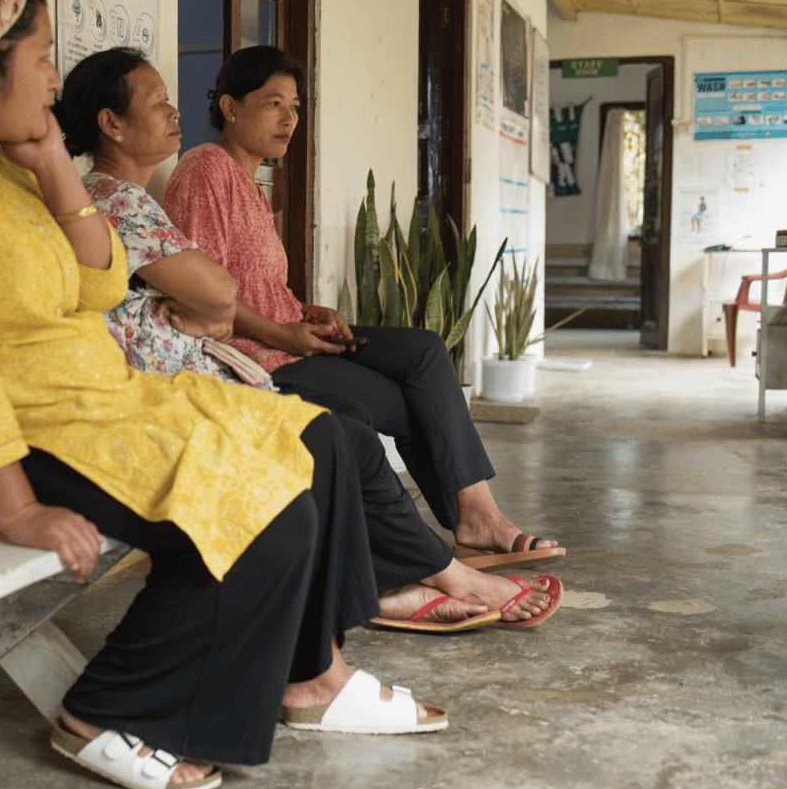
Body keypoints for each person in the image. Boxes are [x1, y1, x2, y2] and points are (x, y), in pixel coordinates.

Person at [0, 0, 448, 789]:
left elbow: (101, 283)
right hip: (13, 447)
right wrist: (19, 508)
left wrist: (52, 170)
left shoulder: (4, 176)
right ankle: (111, 710)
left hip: (95, 412)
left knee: (320, 441)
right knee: (268, 511)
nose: (51, 82)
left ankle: (310, 674)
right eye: (40, 59)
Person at [56, 47, 560, 630]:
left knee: (418, 356)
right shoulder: (176, 180)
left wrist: (295, 313)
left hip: (240, 351)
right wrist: (264, 327)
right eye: (275, 104)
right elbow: (216, 294)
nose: (290, 118)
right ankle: (435, 563)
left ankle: (452, 542)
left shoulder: (192, 190)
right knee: (365, 420)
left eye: (295, 106)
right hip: (242, 360)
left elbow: (221, 291)